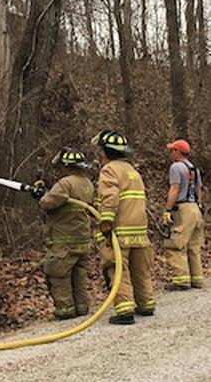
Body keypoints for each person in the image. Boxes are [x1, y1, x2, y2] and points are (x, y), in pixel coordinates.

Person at [91, 129, 155, 325]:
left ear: (104, 152)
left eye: (100, 150)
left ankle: (125, 310)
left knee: (117, 268)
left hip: (119, 231)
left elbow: (110, 197)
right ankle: (146, 304)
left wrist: (106, 223)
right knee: (140, 269)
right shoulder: (132, 171)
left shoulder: (109, 170)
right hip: (139, 231)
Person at [32, 147, 94, 320]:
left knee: (59, 274)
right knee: (79, 274)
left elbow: (47, 203)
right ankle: (81, 306)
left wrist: (40, 195)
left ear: (66, 166)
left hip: (63, 239)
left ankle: (65, 309)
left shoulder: (64, 183)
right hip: (82, 237)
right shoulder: (86, 183)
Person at [162, 139, 205, 291]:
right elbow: (199, 188)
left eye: (173, 150)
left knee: (177, 244)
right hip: (195, 208)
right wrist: (200, 205)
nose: (171, 153)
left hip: (182, 209)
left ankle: (181, 280)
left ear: (178, 152)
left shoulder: (176, 167)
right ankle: (197, 279)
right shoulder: (194, 168)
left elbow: (174, 188)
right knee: (193, 245)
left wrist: (167, 210)